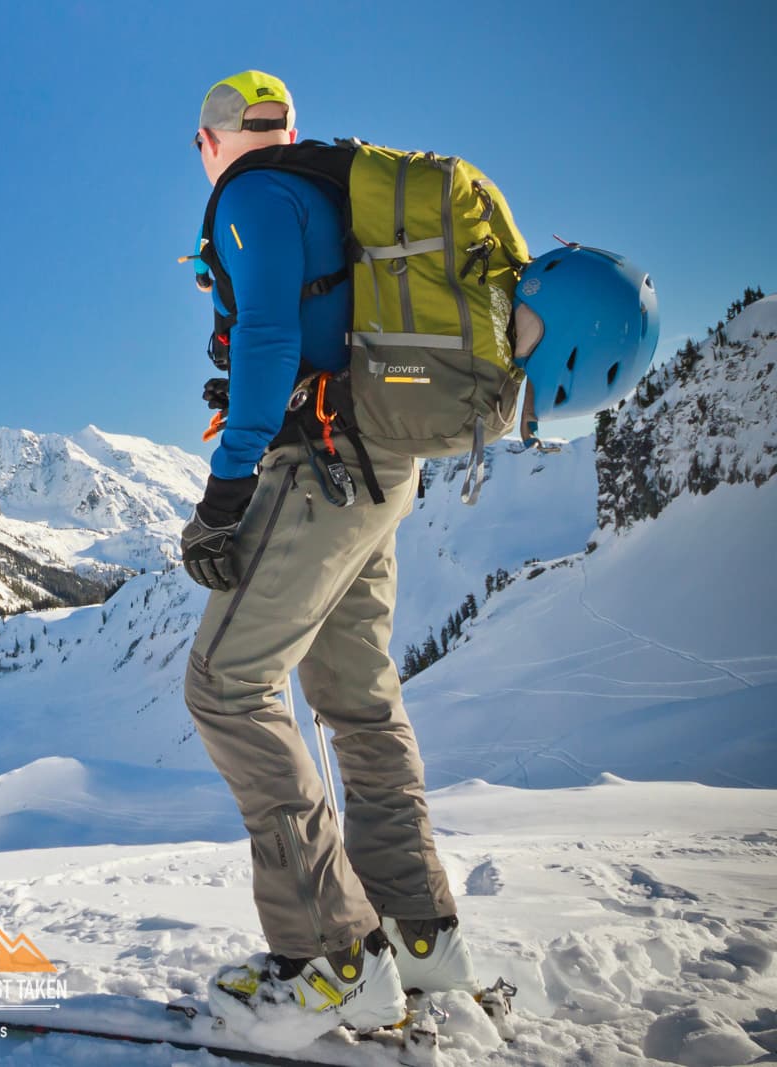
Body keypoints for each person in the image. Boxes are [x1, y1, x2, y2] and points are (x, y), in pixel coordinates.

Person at [178, 71, 475, 1040]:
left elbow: (265, 335)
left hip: (319, 464)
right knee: (357, 698)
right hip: (383, 462)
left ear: (206, 141)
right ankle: (419, 936)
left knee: (225, 688)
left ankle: (331, 958)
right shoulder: (327, 186)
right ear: (288, 127)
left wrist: (225, 493)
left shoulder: (251, 194)